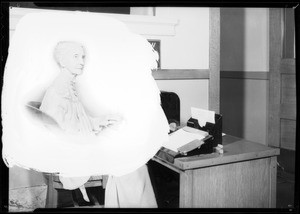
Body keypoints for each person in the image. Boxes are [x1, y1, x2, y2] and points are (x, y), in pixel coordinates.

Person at [39, 41, 157, 207]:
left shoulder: (67, 86)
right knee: (132, 166)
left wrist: (100, 121)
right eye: (75, 56)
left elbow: (76, 122)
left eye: (83, 56)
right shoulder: (57, 91)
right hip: (71, 157)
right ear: (62, 61)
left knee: (132, 158)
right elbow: (58, 133)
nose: (81, 61)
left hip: (78, 149)